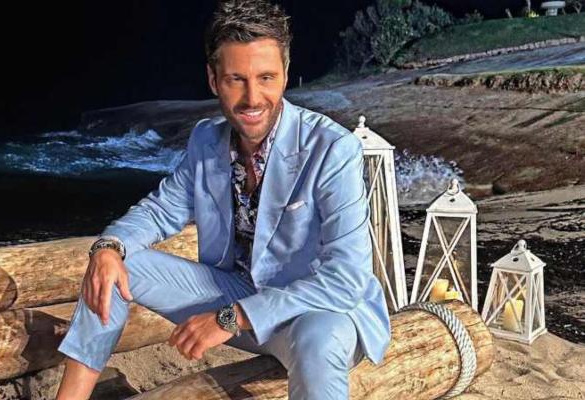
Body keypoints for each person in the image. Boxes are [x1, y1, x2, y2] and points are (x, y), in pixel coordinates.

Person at [55, 1, 391, 399]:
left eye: (266, 78)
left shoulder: (333, 148)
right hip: (238, 294)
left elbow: (346, 279)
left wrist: (232, 318)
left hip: (315, 313)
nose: (253, 98)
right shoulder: (206, 139)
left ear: (285, 75)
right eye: (236, 79)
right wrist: (109, 246)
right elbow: (160, 211)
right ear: (213, 80)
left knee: (319, 339)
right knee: (113, 266)